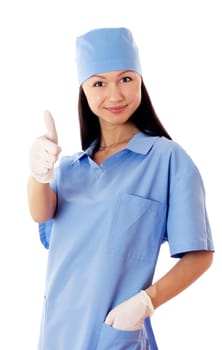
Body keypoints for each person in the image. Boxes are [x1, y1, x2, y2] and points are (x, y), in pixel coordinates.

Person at [28, 27, 214, 350]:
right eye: (99, 83)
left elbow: (200, 254)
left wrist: (145, 302)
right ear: (83, 90)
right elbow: (41, 213)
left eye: (126, 79)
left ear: (141, 80)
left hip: (115, 336)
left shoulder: (167, 160)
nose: (115, 95)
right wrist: (38, 174)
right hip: (57, 334)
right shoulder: (71, 168)